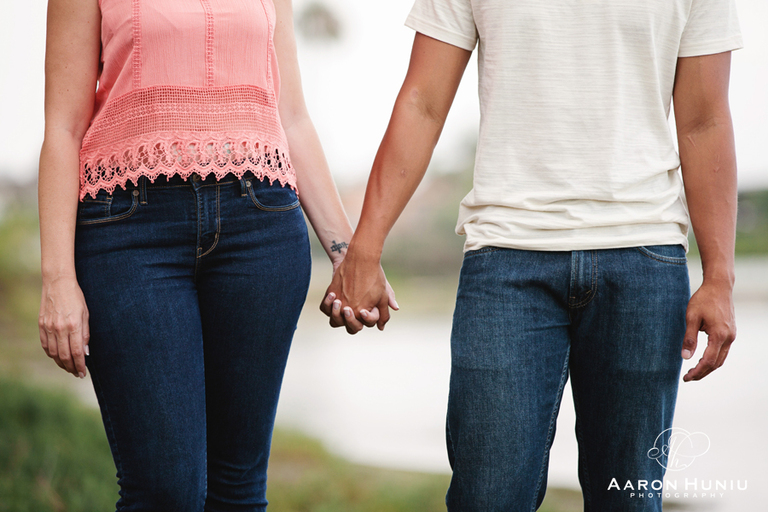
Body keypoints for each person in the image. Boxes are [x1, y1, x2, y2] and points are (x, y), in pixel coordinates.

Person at [322, 0, 741, 510]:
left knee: (628, 500)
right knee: (487, 498)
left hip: (643, 259)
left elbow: (704, 120)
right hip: (506, 260)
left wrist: (720, 277)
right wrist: (363, 249)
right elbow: (422, 101)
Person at [37, 0, 393, 509]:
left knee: (239, 490)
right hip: (129, 233)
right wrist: (57, 278)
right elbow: (63, 130)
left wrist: (347, 253)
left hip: (260, 229)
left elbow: (290, 118)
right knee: (165, 492)